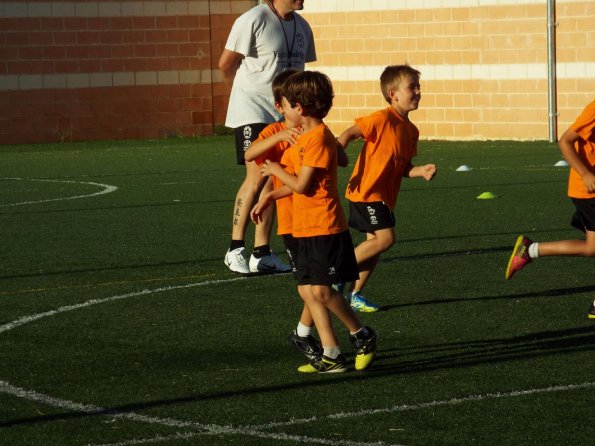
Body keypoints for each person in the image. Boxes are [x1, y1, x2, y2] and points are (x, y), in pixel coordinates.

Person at [255, 71, 377, 373]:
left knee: (322, 291)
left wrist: (274, 171)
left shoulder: (319, 138)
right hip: (304, 226)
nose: (283, 109)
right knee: (308, 290)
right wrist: (270, 197)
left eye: (286, 104)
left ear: (300, 107)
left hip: (324, 225)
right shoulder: (306, 137)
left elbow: (303, 185)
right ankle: (332, 352)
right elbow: (297, 182)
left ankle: (361, 334)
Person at [247, 70, 349, 361]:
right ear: (281, 107)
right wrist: (280, 136)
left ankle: (331, 338)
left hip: (316, 221)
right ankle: (319, 340)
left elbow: (340, 159)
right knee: (309, 288)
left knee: (316, 288)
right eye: (288, 103)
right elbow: (251, 152)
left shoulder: (316, 133)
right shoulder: (277, 133)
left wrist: (326, 144)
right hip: (293, 222)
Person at [219, 0, 316, 274]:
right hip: (252, 109)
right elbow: (226, 65)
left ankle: (261, 252)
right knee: (256, 176)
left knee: (275, 177)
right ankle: (235, 247)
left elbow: (299, 75)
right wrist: (244, 95)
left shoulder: (303, 26)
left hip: (281, 114)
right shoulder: (253, 19)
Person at [336, 64, 437, 313]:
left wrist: (420, 170)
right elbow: (348, 134)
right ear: (393, 93)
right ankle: (336, 274)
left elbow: (404, 167)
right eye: (411, 87)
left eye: (418, 87)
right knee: (385, 239)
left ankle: (355, 295)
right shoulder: (381, 119)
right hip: (367, 192)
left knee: (376, 246)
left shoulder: (411, 131)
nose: (418, 92)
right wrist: (336, 155)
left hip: (384, 199)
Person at [506, 100, 595, 319]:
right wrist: (585, 173)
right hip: (588, 191)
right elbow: (565, 141)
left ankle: (531, 250)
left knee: (592, 248)